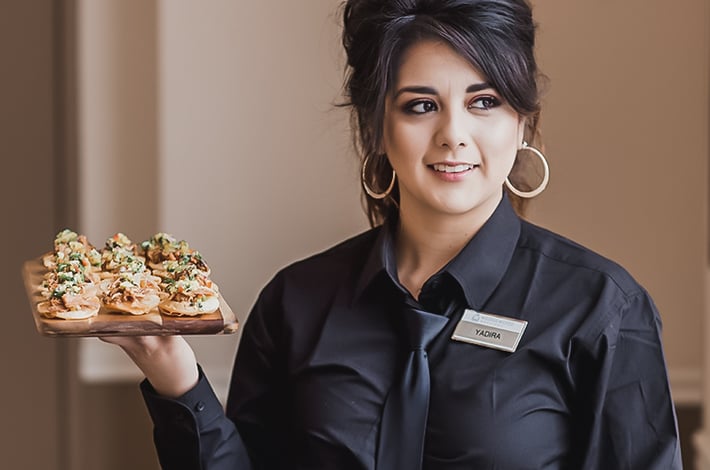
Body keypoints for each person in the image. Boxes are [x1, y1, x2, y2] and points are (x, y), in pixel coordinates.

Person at [105, 0, 683, 468]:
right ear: (376, 127)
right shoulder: (297, 303)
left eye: (484, 102)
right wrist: (173, 375)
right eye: (421, 106)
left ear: (522, 121)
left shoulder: (603, 308)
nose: (454, 134)